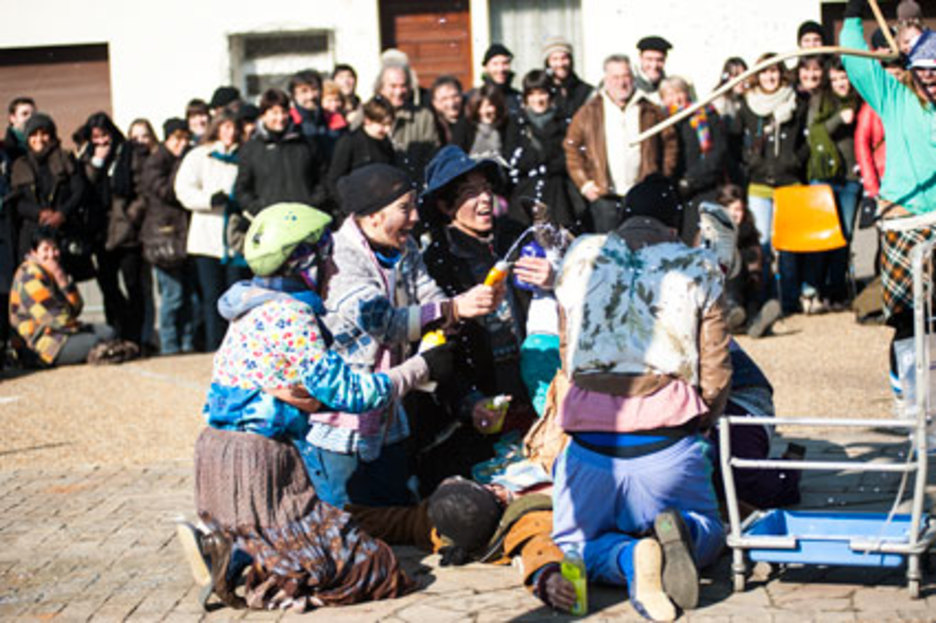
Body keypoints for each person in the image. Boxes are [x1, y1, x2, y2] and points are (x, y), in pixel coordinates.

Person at [179, 202, 453, 611]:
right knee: (373, 565)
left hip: (217, 457)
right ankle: (246, 562)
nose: (335, 268)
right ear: (304, 264)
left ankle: (233, 552)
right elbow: (353, 394)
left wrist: (285, 394)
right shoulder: (291, 316)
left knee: (299, 542)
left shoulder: (249, 308)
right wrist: (422, 366)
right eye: (327, 258)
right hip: (259, 466)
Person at [550, 175, 730, 622]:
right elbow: (716, 369)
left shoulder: (579, 256)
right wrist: (702, 422)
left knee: (574, 546)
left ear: (622, 219)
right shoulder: (699, 265)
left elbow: (567, 351)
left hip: (590, 450)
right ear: (673, 227)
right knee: (713, 530)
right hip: (667, 446)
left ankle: (629, 559)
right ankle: (683, 533)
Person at [313, 163, 501, 508]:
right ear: (372, 216)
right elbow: (384, 323)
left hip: (391, 410)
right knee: (349, 520)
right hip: (345, 423)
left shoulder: (403, 244)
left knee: (395, 514)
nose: (415, 217)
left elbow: (425, 290)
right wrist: (452, 309)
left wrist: (450, 314)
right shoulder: (341, 258)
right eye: (405, 208)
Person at [421, 146, 551, 489]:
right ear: (445, 206)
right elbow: (437, 349)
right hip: (480, 402)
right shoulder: (438, 261)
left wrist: (553, 277)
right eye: (469, 193)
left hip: (532, 385)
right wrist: (469, 402)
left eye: (486, 189)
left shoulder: (515, 237)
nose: (483, 199)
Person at [839, 0, 936, 416]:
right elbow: (854, 61)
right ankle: (911, 407)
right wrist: (853, 12)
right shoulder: (894, 97)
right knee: (907, 320)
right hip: (903, 223)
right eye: (925, 70)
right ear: (912, 70)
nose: (931, 78)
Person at [564, 54, 677, 233]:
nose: (622, 83)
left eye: (626, 76)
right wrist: (584, 184)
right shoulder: (589, 111)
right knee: (609, 246)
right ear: (606, 79)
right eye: (615, 77)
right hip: (605, 197)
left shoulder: (649, 109)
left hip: (642, 196)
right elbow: (571, 147)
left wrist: (661, 177)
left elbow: (670, 142)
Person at [736, 53, 808, 316]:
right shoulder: (748, 105)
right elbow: (739, 141)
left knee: (788, 245)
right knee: (762, 243)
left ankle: (789, 299)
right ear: (757, 75)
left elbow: (805, 140)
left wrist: (794, 160)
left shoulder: (795, 102)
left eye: (775, 71)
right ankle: (763, 298)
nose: (770, 76)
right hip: (759, 183)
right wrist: (751, 162)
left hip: (789, 181)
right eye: (765, 71)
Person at [174, 112, 249, 352]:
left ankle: (238, 347)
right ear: (216, 129)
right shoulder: (199, 156)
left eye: (234, 127)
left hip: (236, 237)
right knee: (212, 296)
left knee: (237, 296)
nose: (230, 133)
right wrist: (208, 199)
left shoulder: (244, 156)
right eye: (225, 127)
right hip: (207, 237)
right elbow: (183, 189)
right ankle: (214, 346)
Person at [76, 112, 148, 346]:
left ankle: (135, 336)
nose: (102, 142)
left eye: (104, 136)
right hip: (101, 232)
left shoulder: (129, 153)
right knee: (108, 287)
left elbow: (142, 191)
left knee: (133, 286)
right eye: (96, 138)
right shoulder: (87, 157)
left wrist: (130, 216)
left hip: (127, 233)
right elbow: (84, 187)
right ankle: (115, 331)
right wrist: (96, 161)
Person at [9, 228, 119, 366]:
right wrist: (78, 329)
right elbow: (56, 319)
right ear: (34, 253)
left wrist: (63, 282)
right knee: (95, 341)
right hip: (39, 342)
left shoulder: (54, 270)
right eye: (45, 249)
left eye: (54, 249)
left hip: (61, 331)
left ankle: (98, 350)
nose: (51, 255)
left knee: (109, 332)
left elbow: (77, 308)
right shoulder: (30, 275)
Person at [9, 113, 88, 277]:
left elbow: (79, 191)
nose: (39, 139)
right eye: (34, 135)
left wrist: (62, 213)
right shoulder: (20, 165)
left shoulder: (66, 158)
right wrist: (39, 213)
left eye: (44, 134)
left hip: (64, 231)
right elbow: (17, 201)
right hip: (32, 234)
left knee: (63, 280)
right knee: (35, 282)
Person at [141, 118, 195, 355]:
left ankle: (187, 342)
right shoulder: (156, 163)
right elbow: (168, 192)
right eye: (176, 139)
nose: (181, 144)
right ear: (167, 139)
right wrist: (182, 167)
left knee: (189, 296)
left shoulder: (181, 159)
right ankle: (170, 344)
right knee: (173, 295)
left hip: (183, 236)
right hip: (163, 239)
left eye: (185, 139)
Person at [503, 70, 577, 230]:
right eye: (532, 94)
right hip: (525, 193)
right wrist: (538, 160)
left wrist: (546, 163)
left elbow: (568, 157)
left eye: (542, 93)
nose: (538, 100)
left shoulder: (563, 122)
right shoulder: (517, 123)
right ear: (525, 98)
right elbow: (511, 158)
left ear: (550, 95)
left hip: (558, 194)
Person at [235, 88, 328, 216]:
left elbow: (323, 178)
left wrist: (313, 202)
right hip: (270, 220)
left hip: (304, 217)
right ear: (263, 115)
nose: (280, 118)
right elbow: (242, 189)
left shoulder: (306, 144)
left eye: (284, 112)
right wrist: (259, 209)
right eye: (274, 113)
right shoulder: (252, 148)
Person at [659, 75, 728, 244]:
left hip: (704, 186)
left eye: (680, 93)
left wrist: (691, 180)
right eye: (670, 95)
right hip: (674, 191)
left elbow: (718, 151)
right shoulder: (661, 121)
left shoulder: (707, 115)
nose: (677, 99)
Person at [374, 63, 440, 181]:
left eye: (403, 86)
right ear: (381, 88)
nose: (399, 92)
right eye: (393, 86)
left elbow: (432, 156)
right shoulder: (366, 114)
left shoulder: (423, 116)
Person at [327, 97, 396, 207]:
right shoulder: (350, 141)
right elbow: (334, 179)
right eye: (383, 125)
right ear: (367, 121)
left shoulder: (385, 143)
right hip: (355, 203)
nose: (387, 130)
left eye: (390, 124)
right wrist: (346, 205)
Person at [712, 57, 750, 187]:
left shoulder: (746, 99)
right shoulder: (720, 101)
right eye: (736, 75)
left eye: (744, 75)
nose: (741, 81)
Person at [451, 84, 510, 160]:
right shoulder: (464, 126)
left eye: (489, 106)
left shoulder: (507, 125)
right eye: (481, 107)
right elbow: (456, 154)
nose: (485, 111)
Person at [541, 35, 594, 120]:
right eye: (555, 59)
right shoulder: (541, 91)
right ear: (548, 63)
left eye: (564, 58)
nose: (560, 64)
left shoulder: (586, 91)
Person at [467, 44, 523, 117]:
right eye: (495, 64)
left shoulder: (518, 98)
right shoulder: (474, 97)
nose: (501, 69)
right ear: (486, 68)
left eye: (505, 63)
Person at [634, 36, 672, 105]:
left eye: (659, 60)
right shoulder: (630, 88)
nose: (654, 66)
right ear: (640, 58)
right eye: (649, 59)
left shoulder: (673, 87)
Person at [430, 75, 464, 145]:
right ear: (435, 103)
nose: (451, 103)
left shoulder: (472, 120)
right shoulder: (431, 125)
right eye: (444, 99)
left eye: (455, 96)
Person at [4, 96, 35, 163]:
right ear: (12, 118)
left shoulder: (44, 144)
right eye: (25, 114)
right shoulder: (5, 151)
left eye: (33, 114)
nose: (30, 118)